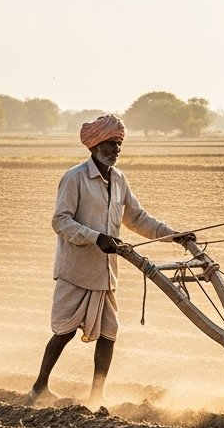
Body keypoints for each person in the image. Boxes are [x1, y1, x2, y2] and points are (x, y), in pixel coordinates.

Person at [26, 114, 195, 407]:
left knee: (109, 333)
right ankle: (39, 387)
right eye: (110, 144)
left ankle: (97, 394)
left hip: (105, 273)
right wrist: (96, 237)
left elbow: (137, 218)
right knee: (64, 331)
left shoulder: (119, 180)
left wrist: (174, 235)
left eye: (118, 144)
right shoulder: (75, 178)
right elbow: (60, 221)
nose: (116, 150)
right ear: (94, 146)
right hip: (76, 270)